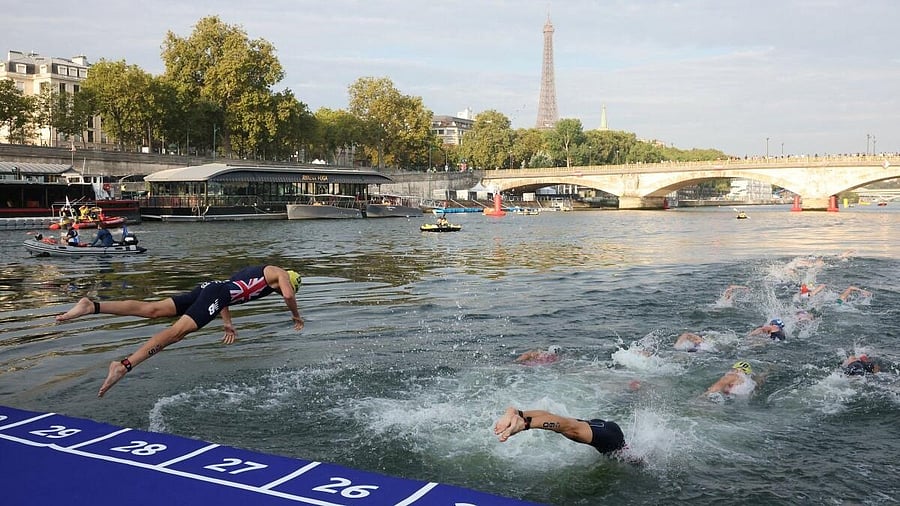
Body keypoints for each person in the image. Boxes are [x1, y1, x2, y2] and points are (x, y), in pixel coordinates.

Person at [55, 265, 304, 397]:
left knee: (152, 310)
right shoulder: (277, 272)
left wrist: (227, 322)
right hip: (214, 293)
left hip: (210, 289)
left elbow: (225, 290)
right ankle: (124, 365)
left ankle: (93, 306)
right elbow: (289, 294)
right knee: (177, 333)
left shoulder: (255, 275)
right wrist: (295, 315)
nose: (279, 290)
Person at [493, 406, 626, 455]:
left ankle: (518, 413)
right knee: (569, 427)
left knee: (567, 424)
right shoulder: (624, 453)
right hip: (611, 438)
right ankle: (524, 422)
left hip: (603, 428)